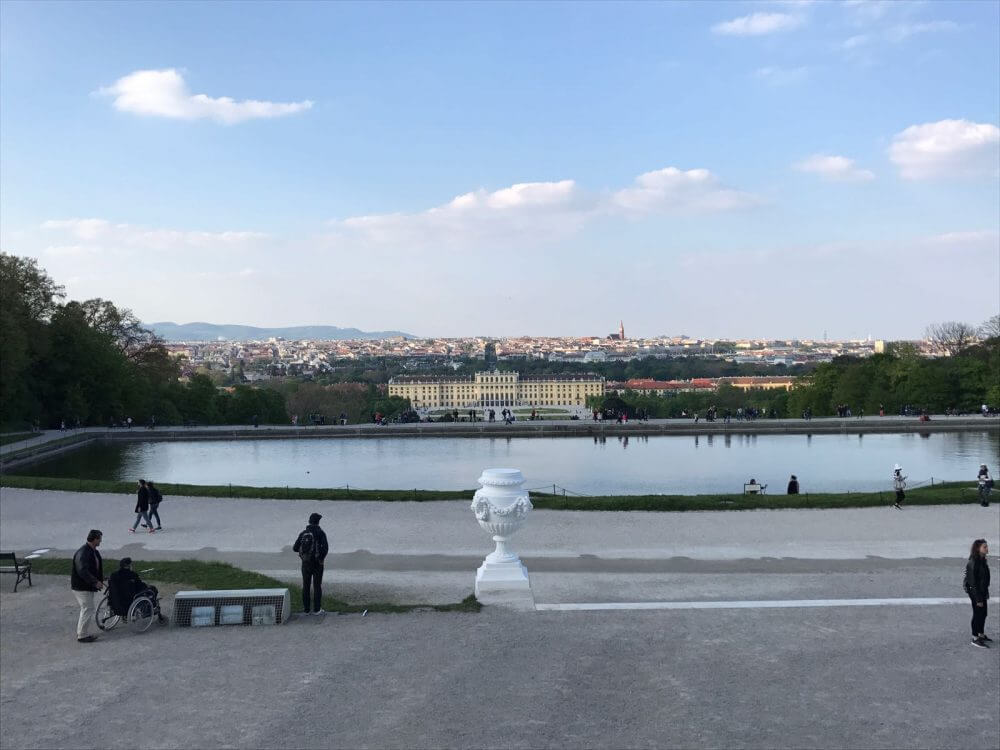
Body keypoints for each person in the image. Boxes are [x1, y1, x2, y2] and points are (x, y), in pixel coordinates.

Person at [292, 512, 329, 615]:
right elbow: (325, 548)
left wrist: (303, 553)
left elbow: (295, 548)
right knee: (317, 586)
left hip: (305, 563)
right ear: (318, 522)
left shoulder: (303, 533)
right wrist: (321, 558)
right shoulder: (320, 533)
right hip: (317, 564)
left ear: (309, 521)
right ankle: (317, 609)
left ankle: (307, 609)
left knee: (306, 586)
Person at [71, 530, 104, 643]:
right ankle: (82, 635)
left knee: (87, 608)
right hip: (82, 587)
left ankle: (82, 633)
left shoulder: (92, 551)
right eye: (99, 538)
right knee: (87, 608)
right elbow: (82, 571)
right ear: (94, 539)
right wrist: (95, 582)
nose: (101, 540)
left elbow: (94, 568)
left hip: (85, 585)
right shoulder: (84, 553)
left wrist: (99, 579)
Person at [965, 539, 991, 648]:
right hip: (976, 593)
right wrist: (978, 598)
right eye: (984, 547)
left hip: (981, 591)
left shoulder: (982, 560)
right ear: (978, 548)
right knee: (977, 614)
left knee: (983, 613)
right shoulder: (973, 562)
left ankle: (981, 634)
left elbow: (984, 579)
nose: (987, 549)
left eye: (987, 546)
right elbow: (972, 583)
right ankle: (975, 638)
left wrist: (985, 592)